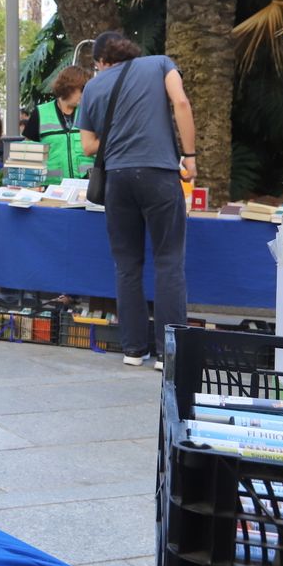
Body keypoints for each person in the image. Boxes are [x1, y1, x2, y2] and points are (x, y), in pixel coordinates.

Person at [77, 31, 197, 367]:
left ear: (101, 61)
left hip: (118, 179)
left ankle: (133, 350)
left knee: (127, 265)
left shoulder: (93, 87)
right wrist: (190, 156)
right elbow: (181, 103)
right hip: (159, 174)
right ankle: (168, 354)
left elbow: (88, 146)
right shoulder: (160, 64)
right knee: (168, 262)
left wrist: (119, 133)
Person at [24, 66, 94, 185]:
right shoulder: (41, 113)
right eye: (82, 89)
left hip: (86, 186)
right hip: (51, 188)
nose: (85, 94)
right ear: (68, 87)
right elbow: (28, 153)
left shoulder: (89, 112)